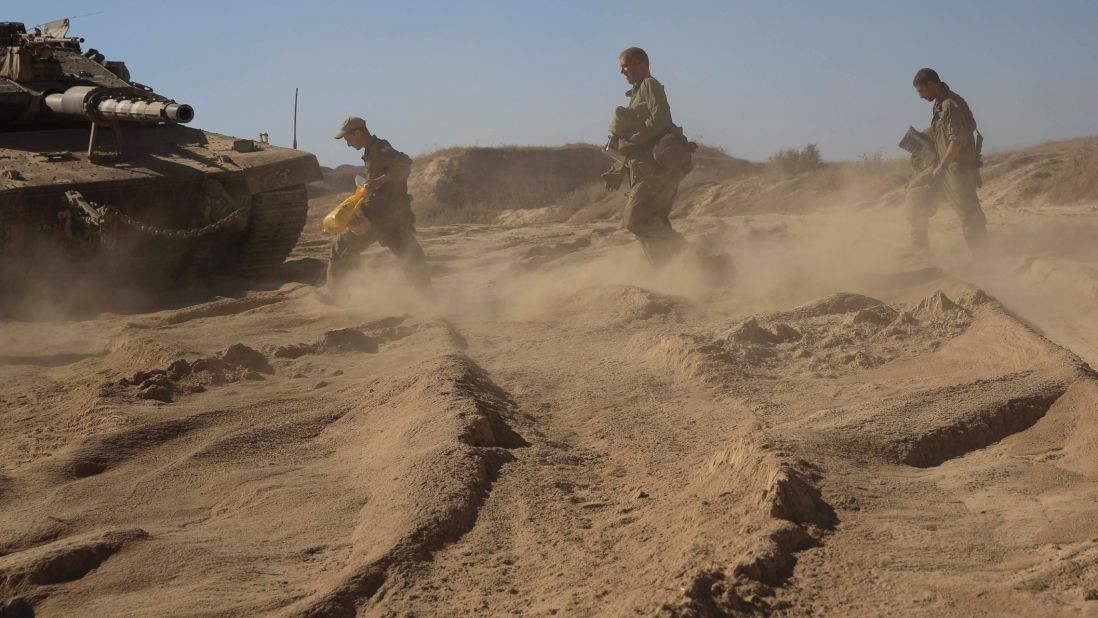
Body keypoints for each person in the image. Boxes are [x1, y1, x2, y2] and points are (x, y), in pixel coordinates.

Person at [602, 47, 691, 268]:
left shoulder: (650, 85)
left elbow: (660, 119)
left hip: (657, 172)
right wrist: (617, 170)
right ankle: (679, 271)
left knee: (635, 221)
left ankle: (685, 252)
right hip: (647, 171)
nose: (622, 71)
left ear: (641, 64)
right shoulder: (637, 93)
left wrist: (630, 141)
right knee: (653, 224)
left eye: (625, 66)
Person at [327, 116, 431, 293]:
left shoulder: (380, 148)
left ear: (358, 132)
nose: (348, 144)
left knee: (341, 247)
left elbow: (405, 163)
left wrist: (378, 181)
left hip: (380, 216)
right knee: (411, 256)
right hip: (392, 215)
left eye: (348, 139)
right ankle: (429, 297)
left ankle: (336, 295)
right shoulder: (371, 151)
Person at [904, 68, 987, 254]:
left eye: (921, 91)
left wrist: (942, 167)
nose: (920, 97)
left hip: (957, 169)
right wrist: (919, 140)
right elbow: (940, 132)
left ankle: (982, 256)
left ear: (932, 85)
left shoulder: (950, 105)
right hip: (943, 166)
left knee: (969, 214)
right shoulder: (940, 105)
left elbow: (956, 141)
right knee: (914, 195)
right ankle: (920, 248)